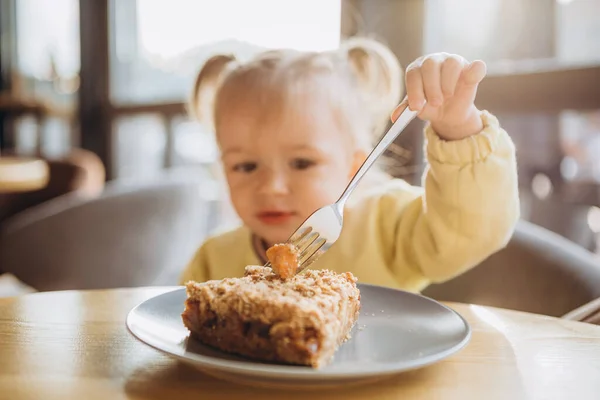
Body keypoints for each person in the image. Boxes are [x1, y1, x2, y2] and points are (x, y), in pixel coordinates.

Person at [180, 37, 520, 292]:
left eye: (301, 162)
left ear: (354, 166)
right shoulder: (212, 261)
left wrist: (458, 129)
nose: (271, 187)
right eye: (246, 167)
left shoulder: (387, 225)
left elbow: (471, 232)